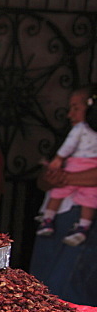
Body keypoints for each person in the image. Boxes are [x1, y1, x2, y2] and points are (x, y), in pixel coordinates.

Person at [36, 87, 97, 246]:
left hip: (80, 219)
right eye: (70, 108)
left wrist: (67, 178)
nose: (70, 114)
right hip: (53, 219)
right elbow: (42, 182)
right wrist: (50, 178)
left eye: (76, 108)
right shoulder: (68, 140)